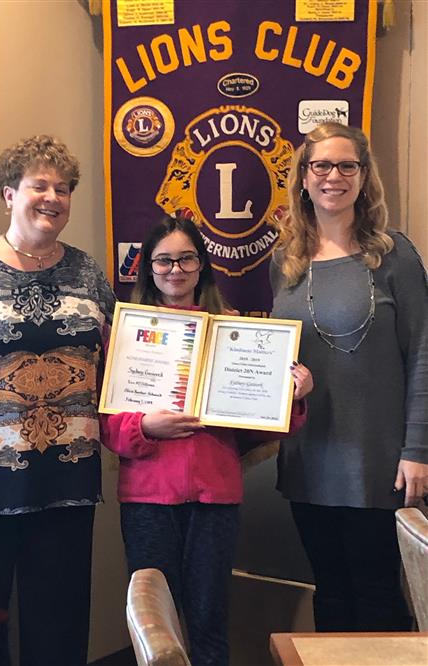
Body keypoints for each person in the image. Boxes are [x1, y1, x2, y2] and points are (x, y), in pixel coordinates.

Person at [0, 135, 115, 665]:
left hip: (67, 479)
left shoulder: (87, 272)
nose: (52, 197)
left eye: (63, 188)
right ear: (10, 193)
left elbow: (127, 354)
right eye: (39, 185)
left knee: (59, 624)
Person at [102, 216, 313, 666]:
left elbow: (262, 423)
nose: (175, 269)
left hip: (214, 495)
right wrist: (144, 428)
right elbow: (107, 427)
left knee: (209, 619)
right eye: (163, 260)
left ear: (202, 265)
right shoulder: (124, 332)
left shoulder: (233, 330)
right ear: (148, 267)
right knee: (154, 625)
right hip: (148, 497)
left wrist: (290, 396)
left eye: (186, 258)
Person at [270, 121, 428, 632]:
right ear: (303, 176)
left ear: (363, 177)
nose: (332, 176)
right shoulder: (285, 261)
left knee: (379, 596)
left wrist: (418, 451)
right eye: (321, 165)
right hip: (309, 458)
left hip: (378, 461)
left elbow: (424, 353)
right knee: (331, 594)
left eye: (346, 165)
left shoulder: (395, 255)